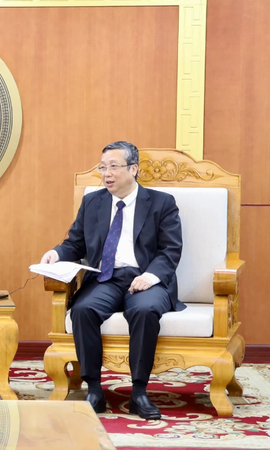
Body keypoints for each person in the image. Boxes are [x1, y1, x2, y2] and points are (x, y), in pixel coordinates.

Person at [40, 141, 183, 420]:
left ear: (133, 169)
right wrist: (56, 253)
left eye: (114, 167)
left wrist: (150, 276)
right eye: (103, 167)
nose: (107, 173)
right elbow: (75, 243)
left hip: (145, 279)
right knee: (83, 309)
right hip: (105, 278)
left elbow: (170, 250)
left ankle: (139, 392)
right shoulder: (93, 201)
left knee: (144, 309)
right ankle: (94, 390)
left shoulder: (161, 203)